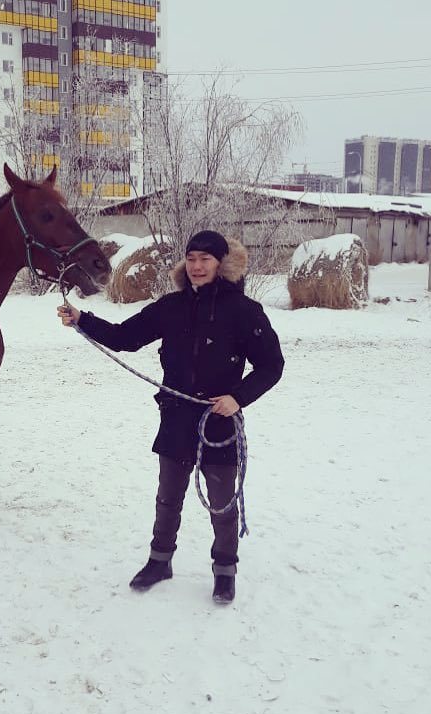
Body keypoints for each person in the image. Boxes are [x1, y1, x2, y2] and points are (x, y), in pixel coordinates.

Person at [58, 230, 284, 604]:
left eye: (205, 259)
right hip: (176, 418)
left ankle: (225, 571)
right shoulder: (171, 306)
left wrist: (238, 398)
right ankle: (159, 561)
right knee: (167, 499)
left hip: (219, 422)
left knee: (222, 503)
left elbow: (272, 366)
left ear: (221, 263)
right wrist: (83, 318)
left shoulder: (244, 312)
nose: (197, 266)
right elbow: (124, 336)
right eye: (191, 258)